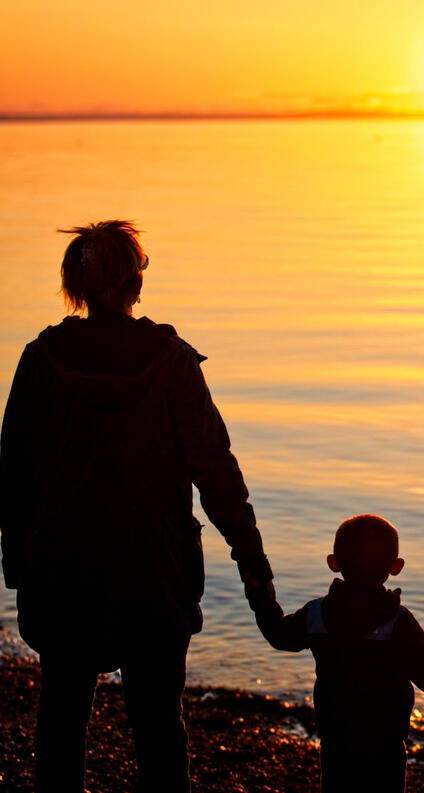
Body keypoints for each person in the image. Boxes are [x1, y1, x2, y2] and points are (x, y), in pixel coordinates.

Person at [0, 220, 273, 793]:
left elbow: (13, 471)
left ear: (74, 286)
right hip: (155, 574)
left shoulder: (40, 359)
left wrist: (17, 566)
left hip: (61, 570)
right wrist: (254, 568)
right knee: (157, 725)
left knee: (62, 720)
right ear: (134, 284)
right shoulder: (171, 361)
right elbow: (217, 472)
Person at [251, 513, 424, 793]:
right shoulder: (397, 622)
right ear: (395, 567)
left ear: (333, 563)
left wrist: (260, 593)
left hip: (336, 737)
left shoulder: (317, 615)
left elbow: (278, 634)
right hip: (384, 742)